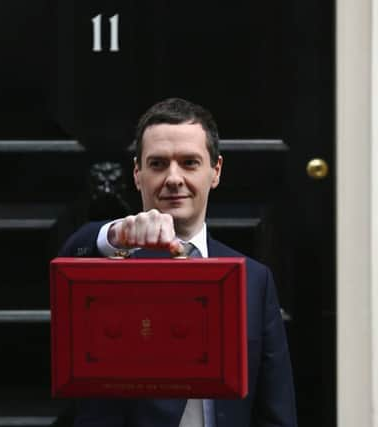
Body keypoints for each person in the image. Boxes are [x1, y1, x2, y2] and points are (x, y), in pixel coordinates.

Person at [59, 98, 297, 427]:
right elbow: (69, 257)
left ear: (215, 171)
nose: (173, 178)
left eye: (189, 162)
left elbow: (276, 409)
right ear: (137, 174)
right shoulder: (110, 262)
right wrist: (117, 234)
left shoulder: (256, 279)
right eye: (157, 164)